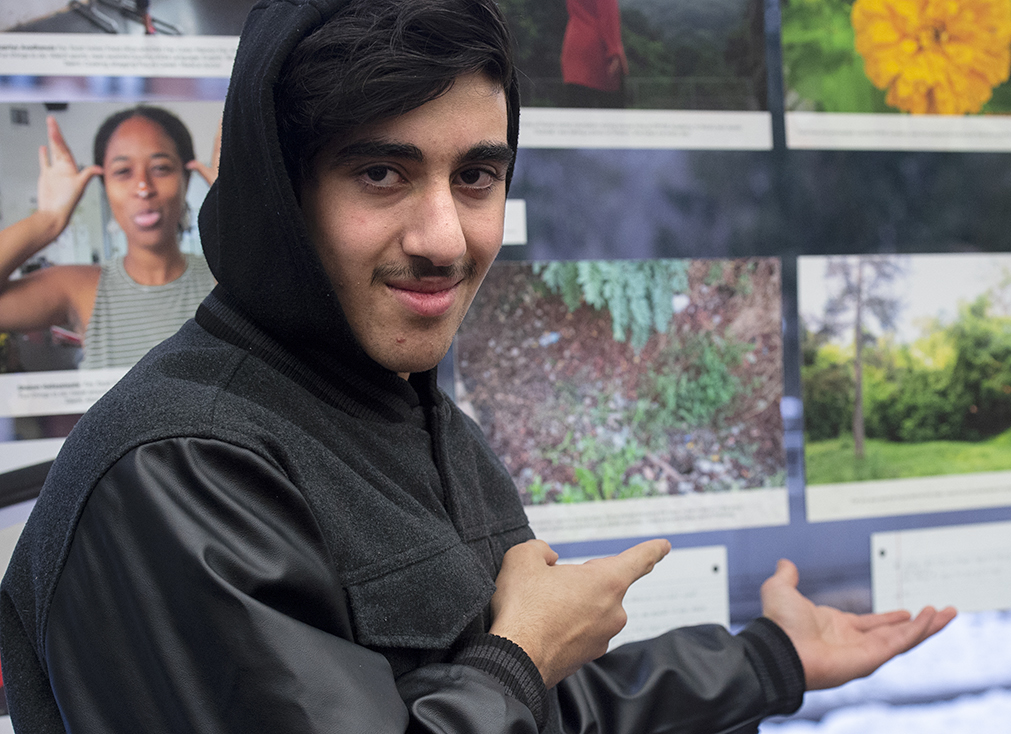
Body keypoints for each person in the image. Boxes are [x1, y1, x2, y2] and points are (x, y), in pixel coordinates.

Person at [0, 0, 955, 731]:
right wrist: (521, 655)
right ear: (277, 193)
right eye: (381, 173)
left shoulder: (401, 410)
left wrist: (768, 661)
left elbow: (542, 713)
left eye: (476, 176)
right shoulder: (181, 465)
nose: (445, 237)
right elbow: (509, 685)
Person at [0, 107, 219, 370]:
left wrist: (238, 205)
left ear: (186, 177)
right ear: (105, 186)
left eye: (161, 168)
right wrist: (47, 220)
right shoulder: (81, 288)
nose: (143, 188)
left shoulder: (224, 280)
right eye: (123, 171)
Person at [560, 0, 627, 108]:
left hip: (573, 48)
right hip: (597, 51)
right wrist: (614, 51)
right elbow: (608, 15)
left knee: (576, 115)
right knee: (611, 117)